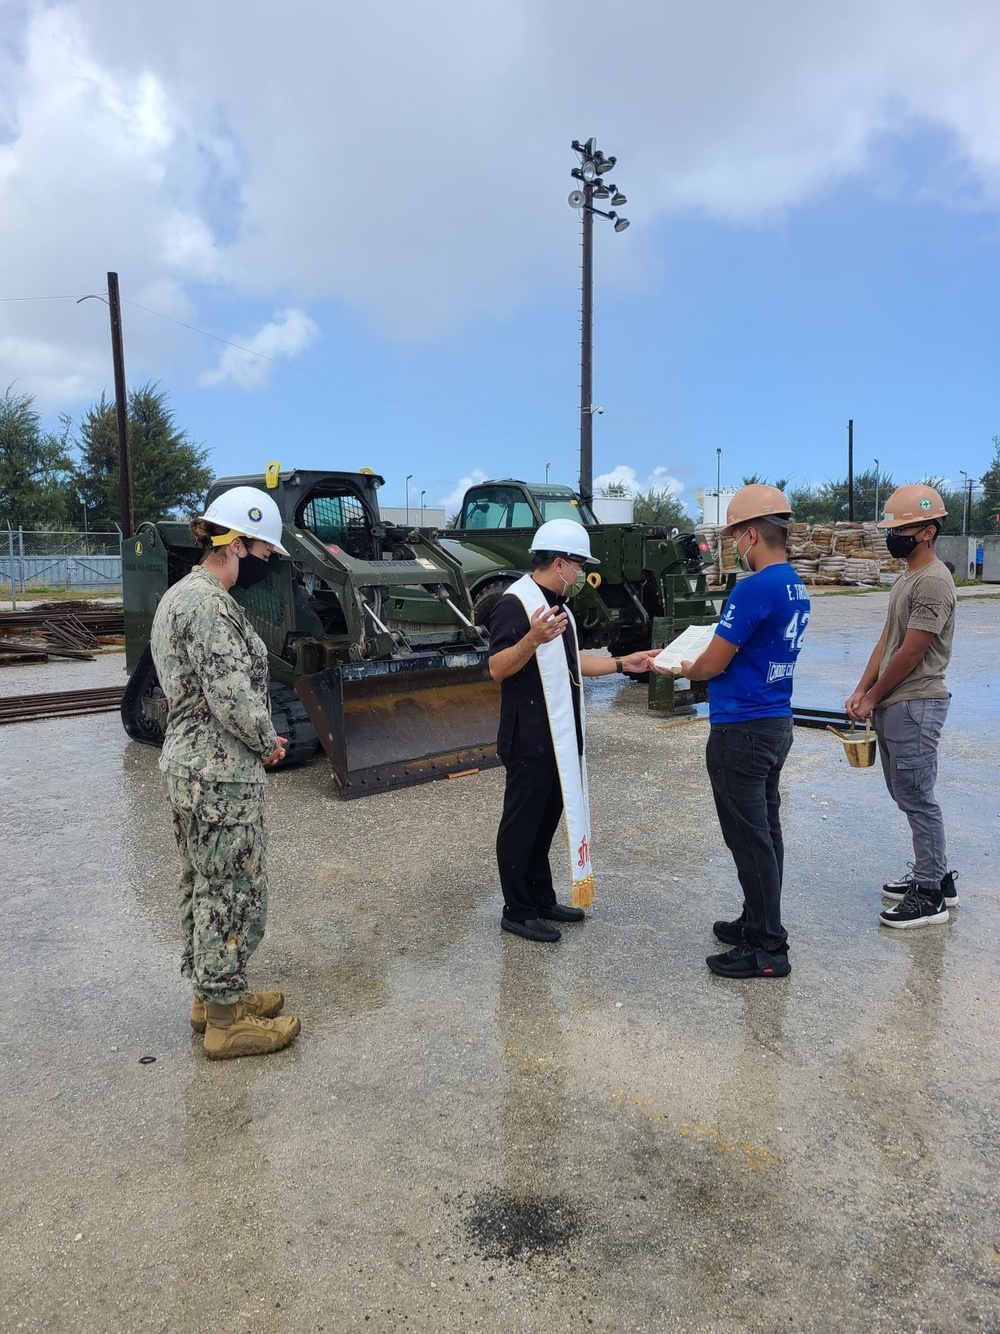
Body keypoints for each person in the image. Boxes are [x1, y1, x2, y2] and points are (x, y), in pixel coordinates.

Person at [150, 485, 302, 1058]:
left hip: (191, 765)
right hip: (219, 775)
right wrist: (265, 742)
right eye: (263, 553)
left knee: (203, 882)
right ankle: (225, 1022)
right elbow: (231, 695)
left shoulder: (180, 595)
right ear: (235, 544)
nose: (266, 565)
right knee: (232, 891)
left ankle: (213, 997)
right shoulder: (210, 605)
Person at [650, 484, 809, 978]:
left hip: (741, 728)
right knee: (766, 831)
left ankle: (767, 947)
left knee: (748, 837)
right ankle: (758, 918)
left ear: (753, 534)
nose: (731, 544)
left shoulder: (754, 588)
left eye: (734, 535)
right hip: (774, 719)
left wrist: (677, 666)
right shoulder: (794, 585)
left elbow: (713, 664)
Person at [488, 518, 650, 943]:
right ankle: (517, 910)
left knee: (544, 825)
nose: (582, 575)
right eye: (579, 566)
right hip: (529, 739)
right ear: (559, 563)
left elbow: (571, 661)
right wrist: (532, 640)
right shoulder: (515, 604)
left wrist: (621, 662)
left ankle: (541, 899)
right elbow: (496, 668)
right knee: (521, 827)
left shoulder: (558, 604)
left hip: (560, 739)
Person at [845, 484, 957, 929]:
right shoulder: (908, 577)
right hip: (897, 701)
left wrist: (873, 696)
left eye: (902, 528)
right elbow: (886, 640)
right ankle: (936, 876)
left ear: (927, 531)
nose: (894, 535)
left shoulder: (933, 580)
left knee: (916, 795)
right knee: (906, 793)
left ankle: (931, 894)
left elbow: (911, 652)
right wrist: (862, 688)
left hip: (917, 703)